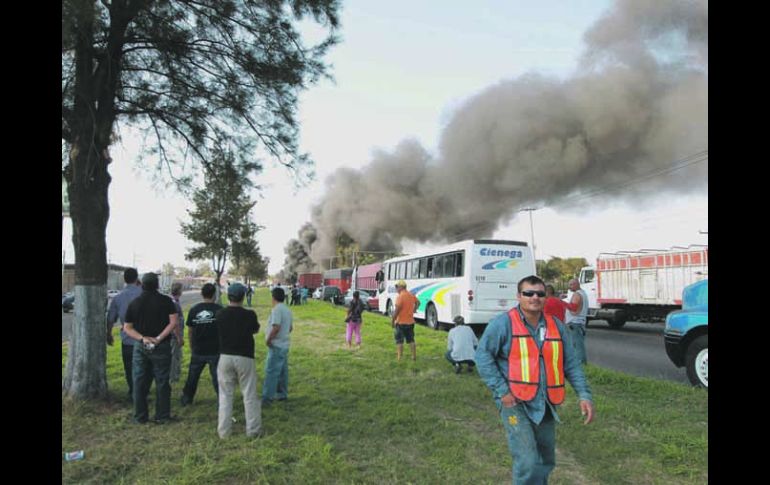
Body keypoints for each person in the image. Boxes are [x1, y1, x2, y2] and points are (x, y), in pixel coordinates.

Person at [475, 275, 594, 484]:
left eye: (539, 293)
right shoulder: (503, 324)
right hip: (514, 404)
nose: (534, 297)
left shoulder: (556, 326)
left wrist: (584, 395)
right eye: (528, 293)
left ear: (545, 297)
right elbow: (483, 356)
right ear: (518, 296)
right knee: (527, 460)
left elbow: (571, 364)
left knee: (546, 459)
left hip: (546, 402)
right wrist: (502, 391)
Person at [123, 272, 179, 424]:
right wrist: (159, 338)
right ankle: (162, 416)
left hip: (141, 346)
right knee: (162, 380)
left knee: (139, 381)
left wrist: (142, 338)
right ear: (158, 285)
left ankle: (140, 416)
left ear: (141, 284)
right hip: (161, 345)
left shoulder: (135, 303)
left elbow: (127, 328)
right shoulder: (166, 301)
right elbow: (173, 322)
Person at [216, 283, 262, 438]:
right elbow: (255, 329)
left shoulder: (220, 314)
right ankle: (253, 431)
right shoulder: (250, 315)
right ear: (243, 296)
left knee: (225, 395)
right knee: (249, 394)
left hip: (225, 356)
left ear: (228, 296)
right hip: (245, 356)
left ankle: (224, 432)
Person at [180, 283, 223, 406]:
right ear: (214, 294)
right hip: (215, 349)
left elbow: (190, 330)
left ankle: (187, 398)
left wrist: (192, 345)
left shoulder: (194, 309)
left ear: (202, 294)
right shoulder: (219, 310)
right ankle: (222, 400)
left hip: (198, 349)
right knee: (217, 377)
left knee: (192, 376)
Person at [106, 267, 143, 402]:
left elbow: (110, 319)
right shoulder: (144, 294)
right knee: (144, 366)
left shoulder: (118, 298)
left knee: (129, 367)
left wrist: (109, 334)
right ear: (136, 278)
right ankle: (141, 391)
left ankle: (133, 391)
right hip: (145, 339)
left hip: (127, 339)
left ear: (124, 279)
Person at [262, 287, 293, 405]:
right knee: (282, 372)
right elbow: (290, 328)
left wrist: (269, 339)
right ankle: (282, 394)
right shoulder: (287, 310)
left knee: (271, 372)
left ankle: (267, 398)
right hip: (284, 344)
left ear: (273, 297)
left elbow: (276, 327)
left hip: (276, 345)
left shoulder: (276, 310)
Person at [391, 280, 418, 361]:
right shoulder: (411, 295)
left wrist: (393, 320)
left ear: (401, 287)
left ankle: (399, 358)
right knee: (411, 340)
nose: (396, 289)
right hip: (410, 322)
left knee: (399, 341)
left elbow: (397, 310)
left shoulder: (400, 297)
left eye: (397, 287)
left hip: (401, 322)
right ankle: (413, 357)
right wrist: (414, 309)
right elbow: (418, 302)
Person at [565, 278, 589, 365]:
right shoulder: (583, 293)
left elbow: (574, 309)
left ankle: (581, 364)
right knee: (577, 345)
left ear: (577, 284)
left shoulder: (577, 294)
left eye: (571, 284)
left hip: (575, 323)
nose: (569, 286)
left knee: (577, 346)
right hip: (580, 322)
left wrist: (564, 305)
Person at [169, 282, 186, 384]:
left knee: (177, 356)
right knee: (174, 357)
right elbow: (175, 323)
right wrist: (179, 337)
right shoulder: (174, 304)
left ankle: (175, 376)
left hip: (175, 334)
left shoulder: (174, 301)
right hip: (175, 335)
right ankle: (173, 378)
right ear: (179, 290)